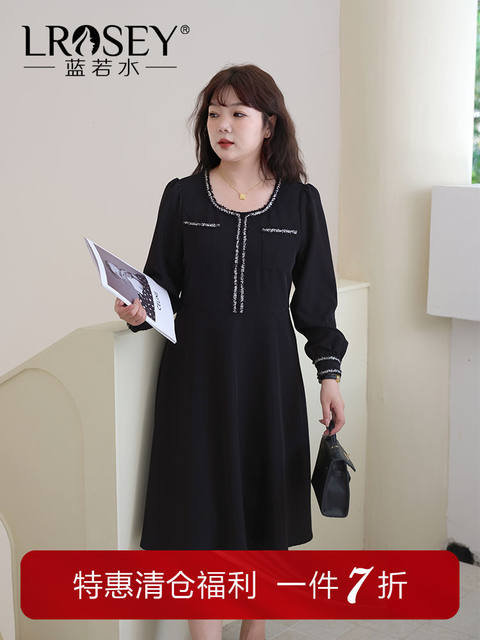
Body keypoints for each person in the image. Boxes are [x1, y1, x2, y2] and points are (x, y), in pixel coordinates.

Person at [114, 63, 348, 640]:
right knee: (199, 510)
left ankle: (254, 631)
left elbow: (316, 302)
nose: (223, 124)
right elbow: (161, 282)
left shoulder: (300, 203)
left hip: (270, 378)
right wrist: (139, 310)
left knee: (264, 505)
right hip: (195, 377)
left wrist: (329, 375)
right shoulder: (182, 196)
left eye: (238, 113)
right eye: (214, 113)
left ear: (269, 125)